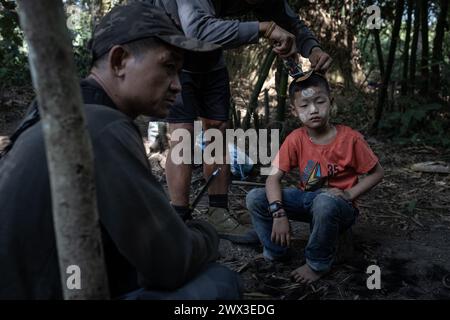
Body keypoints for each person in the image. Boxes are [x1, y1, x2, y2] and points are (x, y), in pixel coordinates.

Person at [0, 2, 242, 300]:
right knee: (221, 283)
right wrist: (207, 233)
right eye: (168, 67)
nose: (178, 85)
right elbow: (170, 262)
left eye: (180, 72)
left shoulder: (57, 113)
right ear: (119, 61)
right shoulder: (104, 125)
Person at [150, 0, 333, 244]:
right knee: (182, 135)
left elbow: (290, 21)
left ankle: (218, 211)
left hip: (210, 60)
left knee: (216, 132)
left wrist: (313, 49)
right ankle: (179, 218)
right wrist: (266, 29)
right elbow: (198, 28)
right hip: (173, 55)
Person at [246, 73, 384, 284]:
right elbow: (272, 179)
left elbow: (377, 172)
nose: (313, 110)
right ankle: (276, 250)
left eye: (320, 102)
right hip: (307, 200)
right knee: (256, 197)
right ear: (294, 110)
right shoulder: (296, 139)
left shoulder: (350, 139)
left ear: (331, 102)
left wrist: (349, 194)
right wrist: (278, 213)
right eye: (304, 105)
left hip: (339, 207)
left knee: (324, 202)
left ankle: (317, 264)